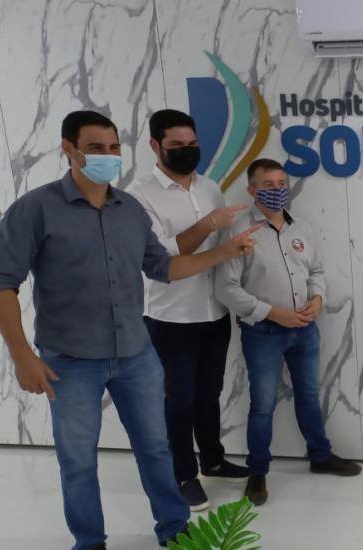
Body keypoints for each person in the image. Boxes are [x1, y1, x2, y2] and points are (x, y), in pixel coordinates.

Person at [0, 111, 259, 550]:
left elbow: (163, 267)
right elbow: (1, 283)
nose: (108, 156)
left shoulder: (128, 209)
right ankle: (89, 541)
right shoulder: (35, 210)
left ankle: (174, 528)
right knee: (78, 462)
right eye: (96, 148)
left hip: (136, 354)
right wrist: (21, 356)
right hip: (69, 361)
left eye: (114, 148)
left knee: (156, 449)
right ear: (68, 149)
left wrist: (223, 252)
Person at [216, 158, 361, 506]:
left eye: (282, 184)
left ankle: (320, 456)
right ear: (252, 190)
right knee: (263, 405)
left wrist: (317, 298)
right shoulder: (239, 231)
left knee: (309, 395)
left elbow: (317, 271)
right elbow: (226, 288)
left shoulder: (302, 228)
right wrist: (274, 314)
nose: (278, 190)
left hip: (305, 329)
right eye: (268, 185)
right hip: (263, 332)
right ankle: (258, 472)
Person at [129, 109, 250, 512]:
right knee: (178, 399)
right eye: (177, 145)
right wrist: (209, 225)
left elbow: (225, 252)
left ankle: (212, 459)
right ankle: (183, 474)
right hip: (171, 317)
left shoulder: (210, 187)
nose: (187, 151)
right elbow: (162, 256)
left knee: (209, 393)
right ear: (155, 146)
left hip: (214, 310)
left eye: (192, 143)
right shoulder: (139, 195)